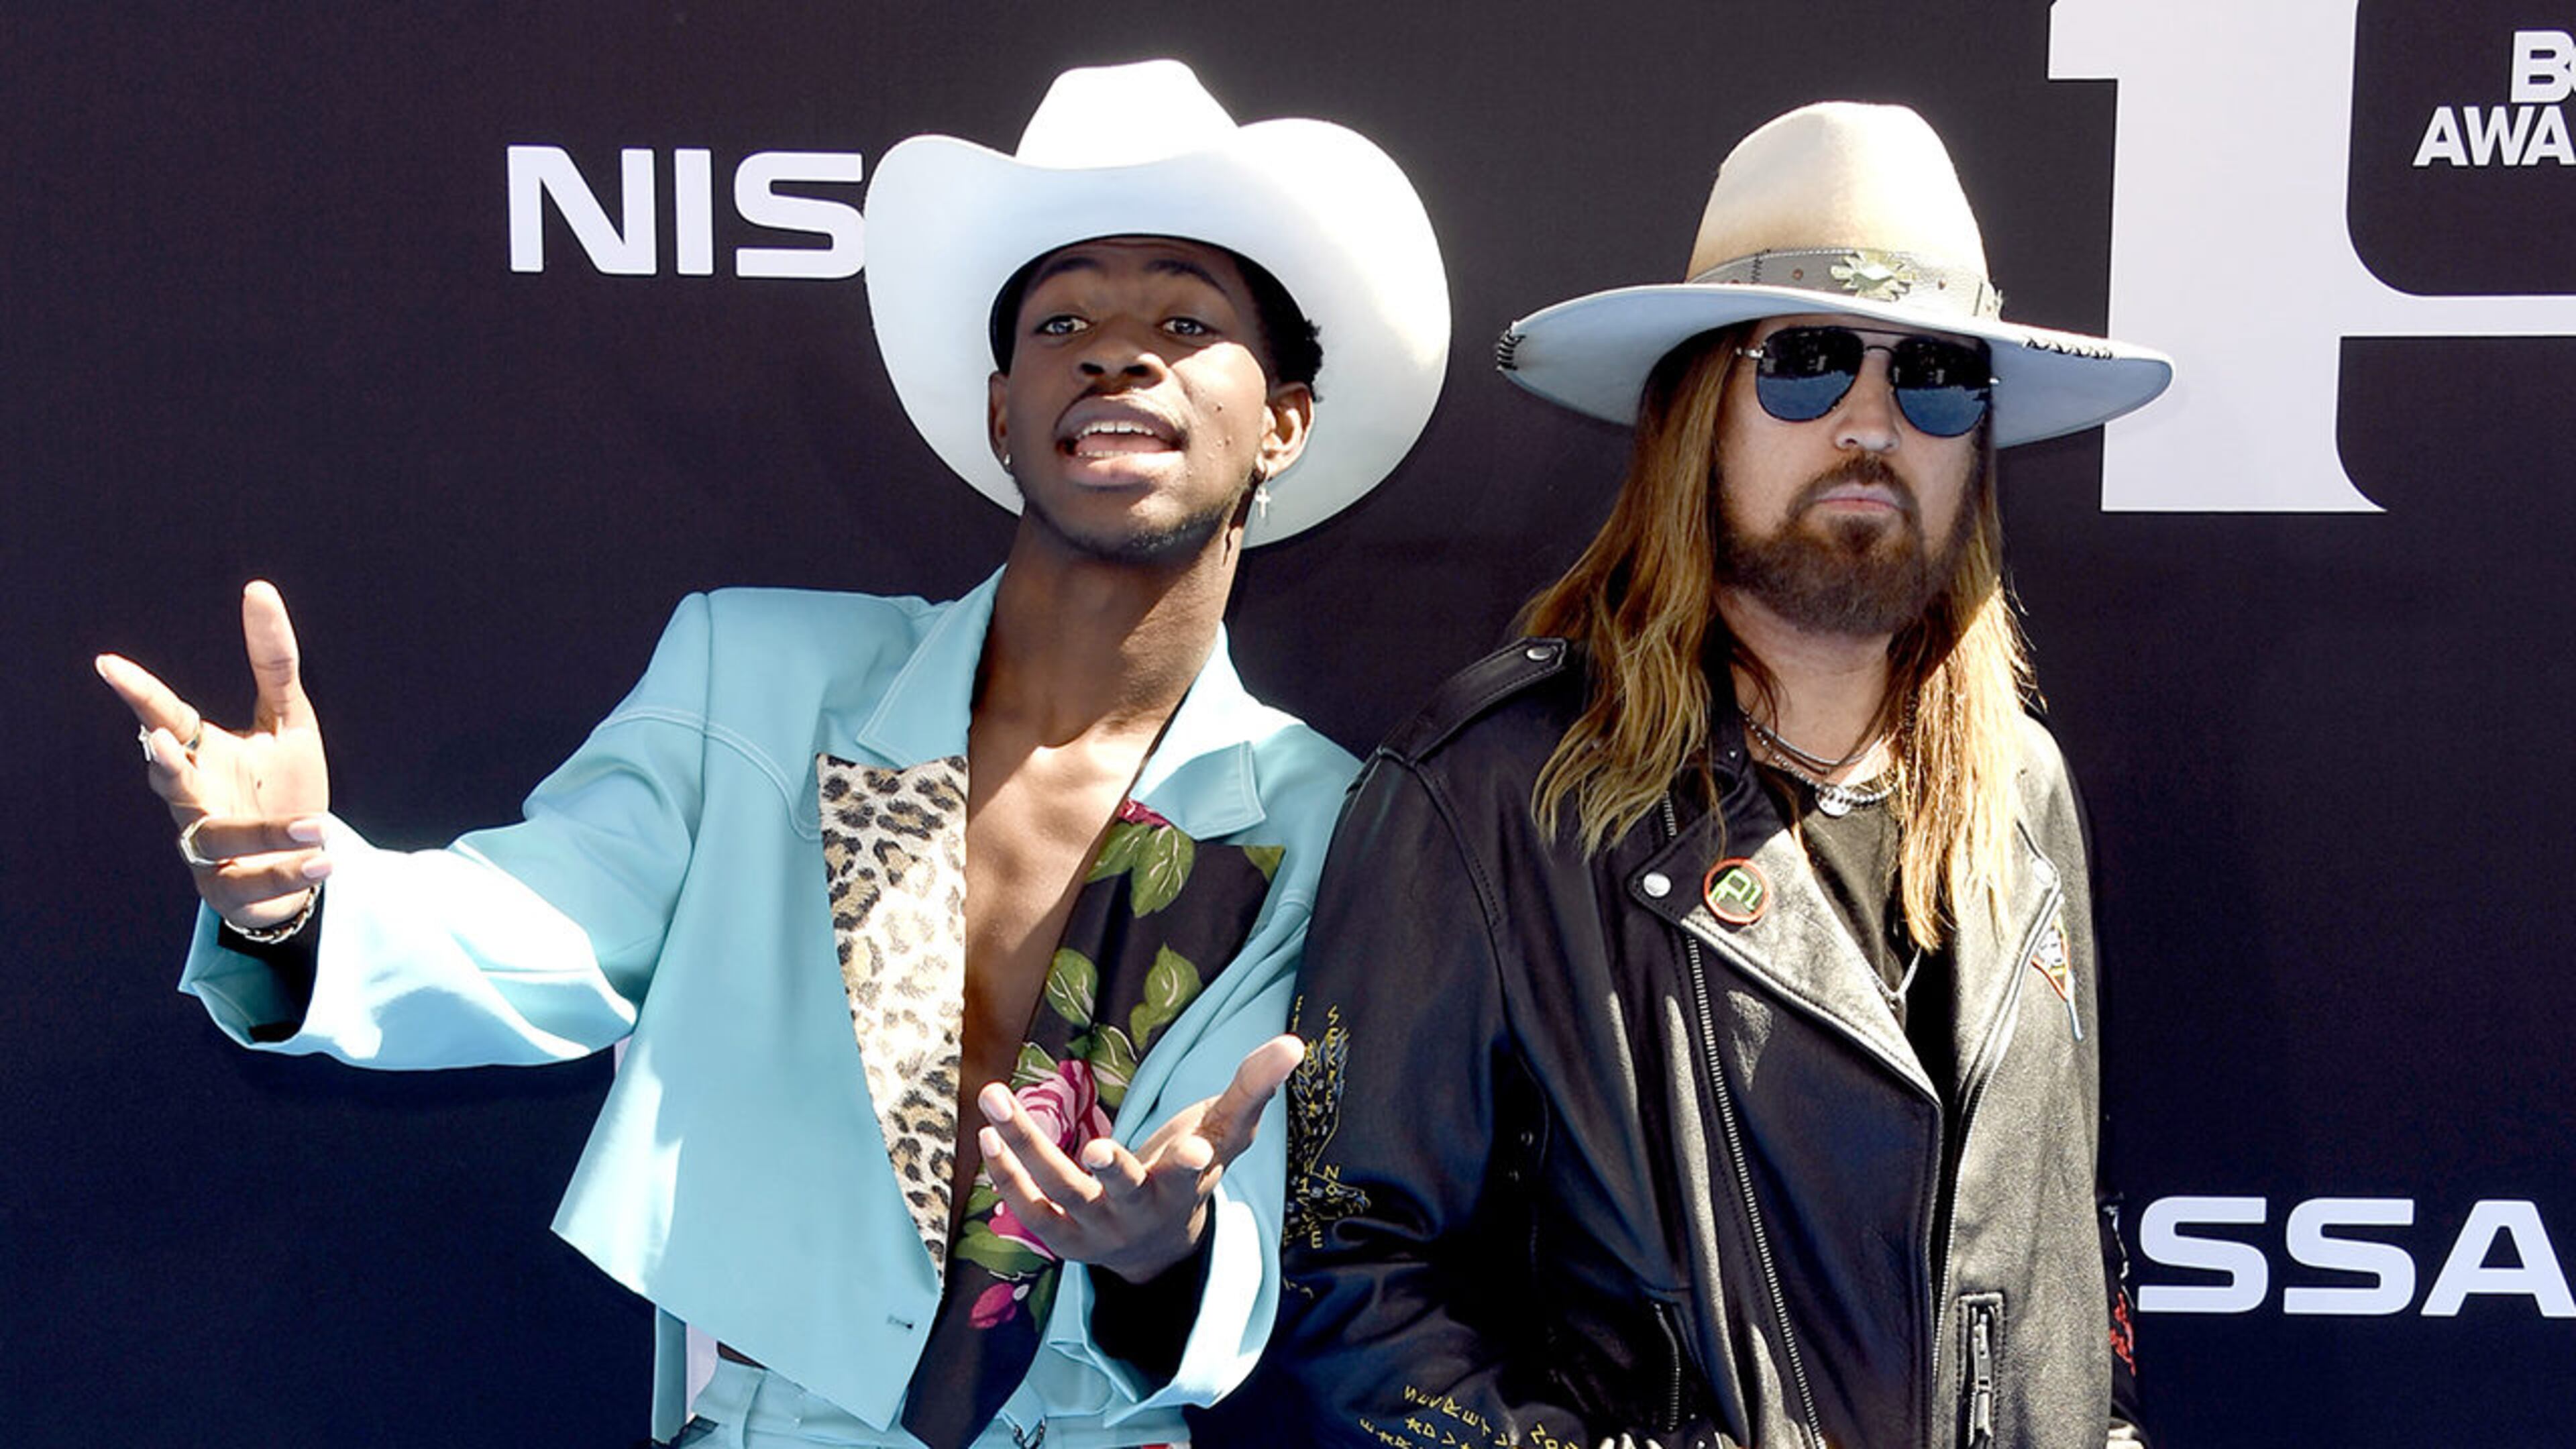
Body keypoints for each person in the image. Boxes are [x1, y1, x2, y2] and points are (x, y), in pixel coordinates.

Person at [94, 59, 1448, 1449]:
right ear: (1002, 411)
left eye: (1182, 314)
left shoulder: (1337, 818)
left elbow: (1270, 1205)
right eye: (1063, 317)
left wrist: (1161, 1249)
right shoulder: (759, 672)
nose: (1117, 349)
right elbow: (547, 920)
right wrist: (309, 896)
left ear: (1283, 420)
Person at [1218, 102, 2170, 1448]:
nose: (1870, 420)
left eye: (1939, 375)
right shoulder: (1498, 788)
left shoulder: (2022, 790)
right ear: (1695, 413)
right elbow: (1347, 1279)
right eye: (1805, 364)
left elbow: (2070, 1237)